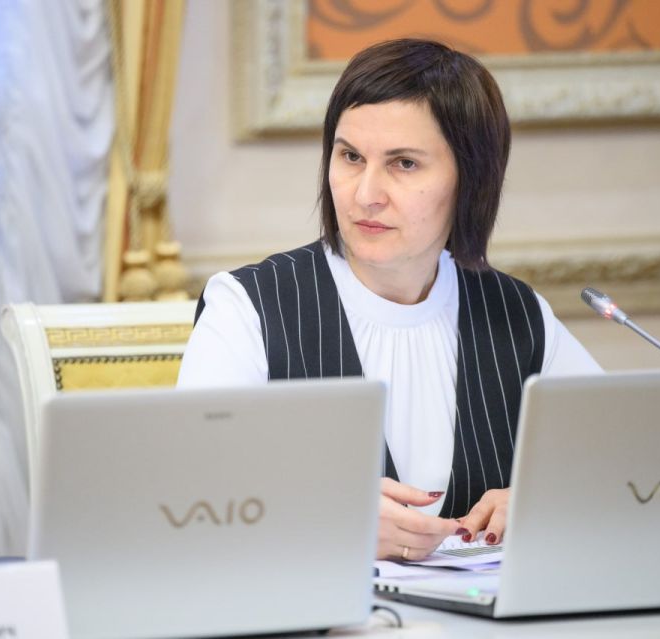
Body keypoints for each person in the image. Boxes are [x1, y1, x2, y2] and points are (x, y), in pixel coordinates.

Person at [177, 38, 601, 561]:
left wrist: (546, 499)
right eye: (350, 156)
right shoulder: (248, 308)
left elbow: (618, 465)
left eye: (403, 164)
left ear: (471, 180)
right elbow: (188, 501)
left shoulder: (517, 314)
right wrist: (326, 521)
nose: (365, 194)